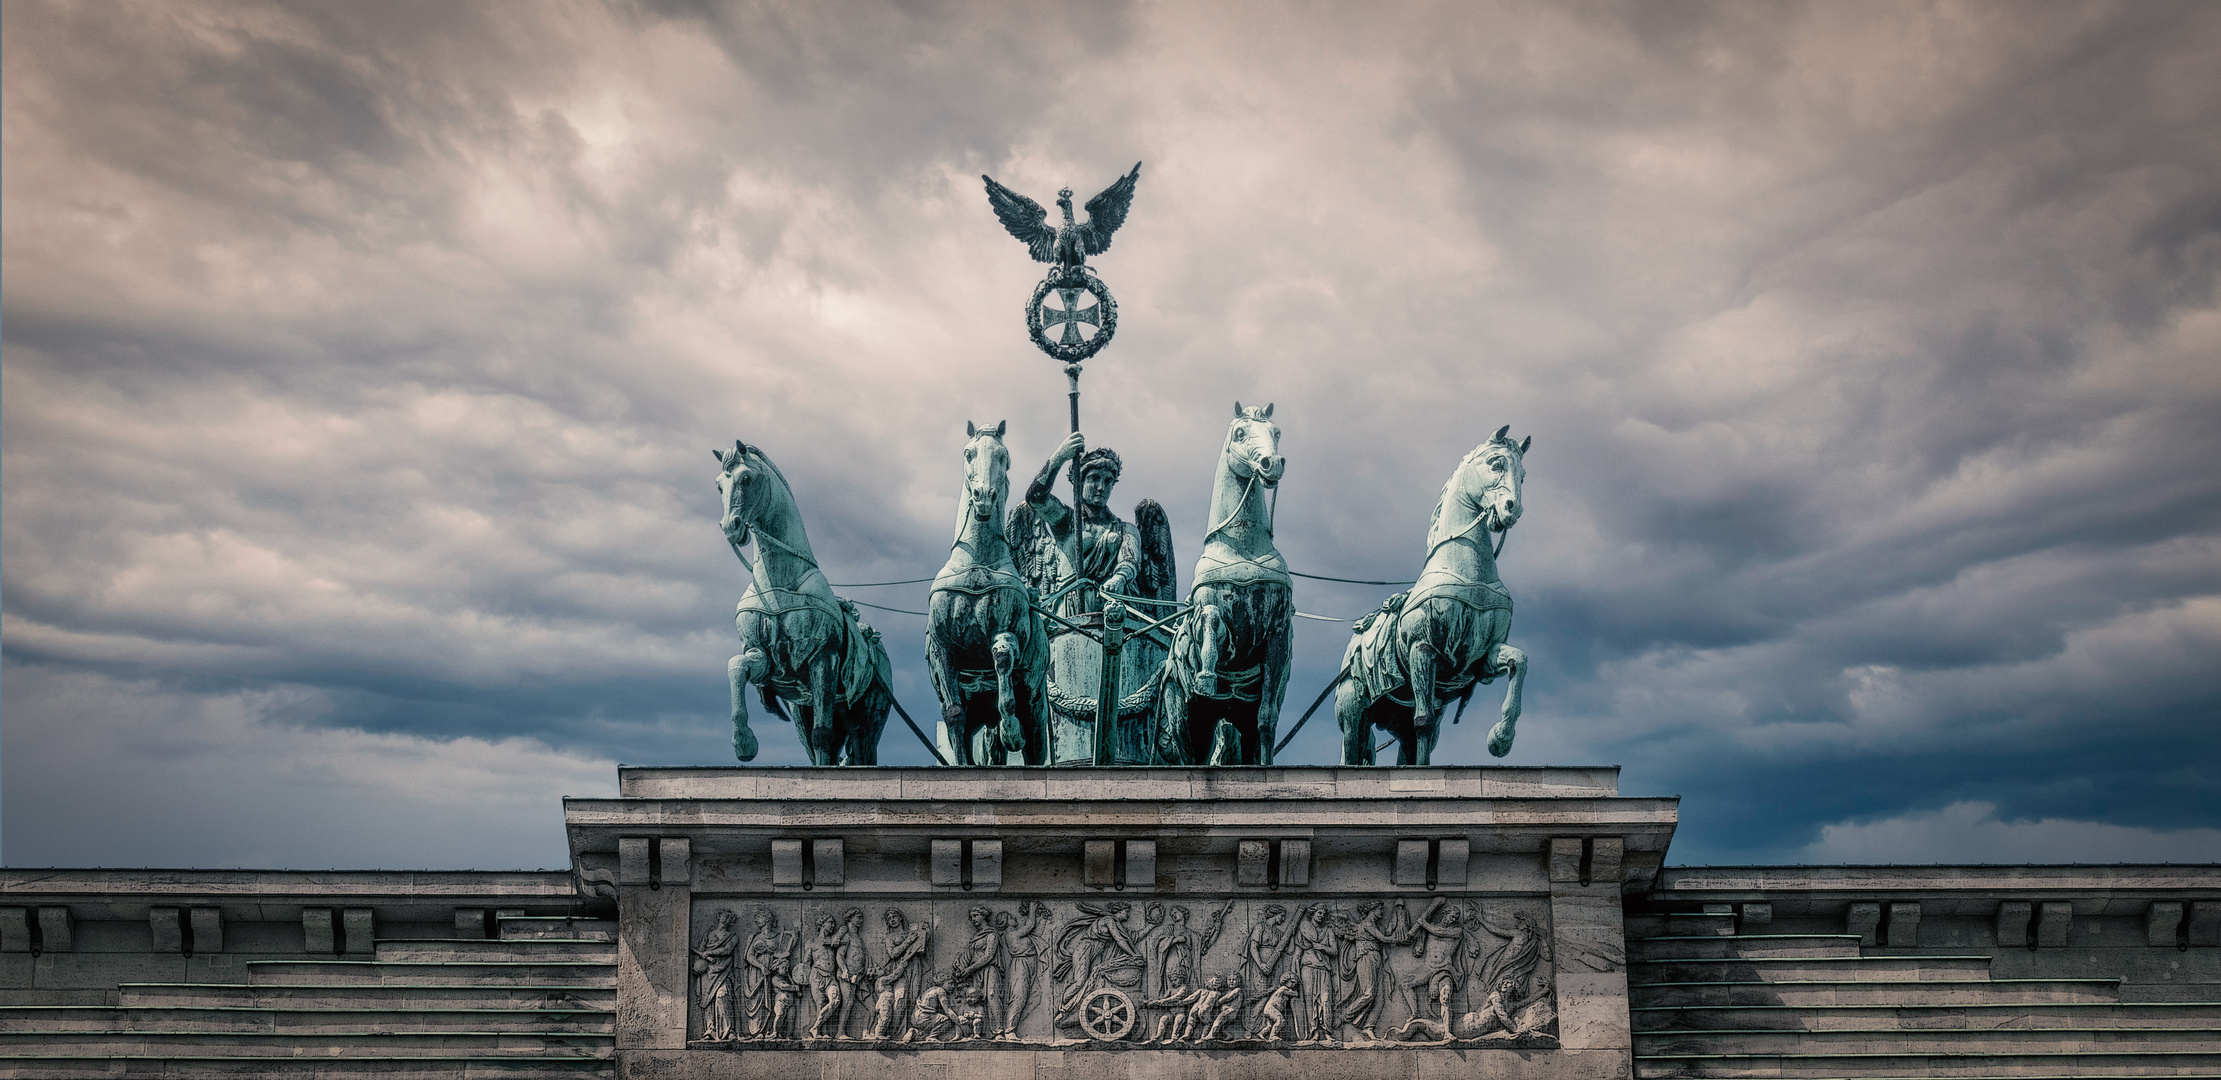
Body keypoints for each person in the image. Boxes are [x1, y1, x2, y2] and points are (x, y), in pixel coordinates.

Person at [1000, 901, 1050, 1038]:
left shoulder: (1017, 933)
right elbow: (1030, 925)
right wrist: (1032, 908)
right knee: (1019, 997)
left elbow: (1035, 932)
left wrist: (1043, 918)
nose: (1014, 918)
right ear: (1006, 922)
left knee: (1031, 995)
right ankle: (1010, 1030)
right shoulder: (1011, 935)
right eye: (1011, 918)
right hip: (1020, 967)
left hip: (1029, 965)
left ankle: (1015, 1026)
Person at [1292, 904, 1340, 1041]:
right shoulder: (1304, 930)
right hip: (1307, 968)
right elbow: (1297, 954)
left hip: (1324, 969)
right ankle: (1314, 1032)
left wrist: (1322, 947)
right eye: (1319, 913)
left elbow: (1335, 951)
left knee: (1326, 999)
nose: (1322, 915)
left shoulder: (1328, 931)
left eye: (1324, 914)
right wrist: (1295, 973)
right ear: (1312, 913)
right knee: (1310, 1000)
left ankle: (1327, 1031)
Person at [691, 909, 740, 1041]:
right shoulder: (709, 934)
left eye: (729, 917)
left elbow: (727, 949)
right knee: (708, 1000)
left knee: (722, 995)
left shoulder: (732, 936)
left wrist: (709, 953)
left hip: (723, 971)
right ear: (719, 916)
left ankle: (728, 1030)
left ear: (731, 921)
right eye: (724, 915)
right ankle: (710, 1029)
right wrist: (698, 965)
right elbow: (700, 951)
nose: (726, 918)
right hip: (707, 971)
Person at [1257, 974, 1300, 1041]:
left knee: (1269, 1026)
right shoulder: (1283, 988)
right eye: (1292, 982)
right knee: (1280, 1020)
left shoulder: (1283, 990)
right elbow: (1295, 994)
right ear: (1286, 981)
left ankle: (1261, 1034)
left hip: (1269, 1009)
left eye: (1295, 983)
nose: (1294, 985)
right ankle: (1272, 1036)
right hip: (1271, 1008)